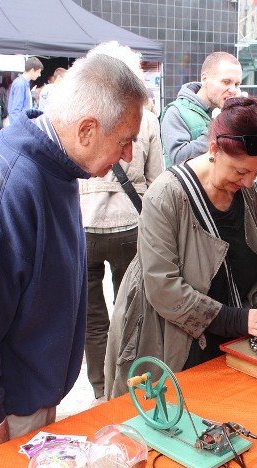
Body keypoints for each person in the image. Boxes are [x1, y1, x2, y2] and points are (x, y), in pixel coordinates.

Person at [0, 52, 148, 456]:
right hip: (7, 411)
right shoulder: (9, 183)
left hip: (29, 398)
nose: (130, 155)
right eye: (125, 141)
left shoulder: (57, 166)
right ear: (86, 130)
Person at [104, 97, 257, 399]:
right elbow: (163, 288)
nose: (248, 182)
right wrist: (238, 319)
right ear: (214, 149)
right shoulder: (166, 196)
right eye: (241, 171)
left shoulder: (250, 193)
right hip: (179, 343)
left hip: (237, 340)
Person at [79, 42, 165, 401]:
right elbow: (157, 177)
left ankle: (100, 392)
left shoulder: (82, 115)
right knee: (130, 312)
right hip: (130, 226)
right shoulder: (144, 117)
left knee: (92, 318)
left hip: (83, 227)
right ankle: (128, 386)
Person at [160, 51, 242, 167]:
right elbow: (178, 159)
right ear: (204, 79)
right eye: (226, 82)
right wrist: (219, 127)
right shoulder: (176, 112)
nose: (233, 90)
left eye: (237, 84)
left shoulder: (218, 111)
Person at [6, 56, 43, 124]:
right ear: (32, 70)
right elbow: (16, 110)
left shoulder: (24, 83)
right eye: (38, 72)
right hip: (19, 126)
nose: (39, 75)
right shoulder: (20, 84)